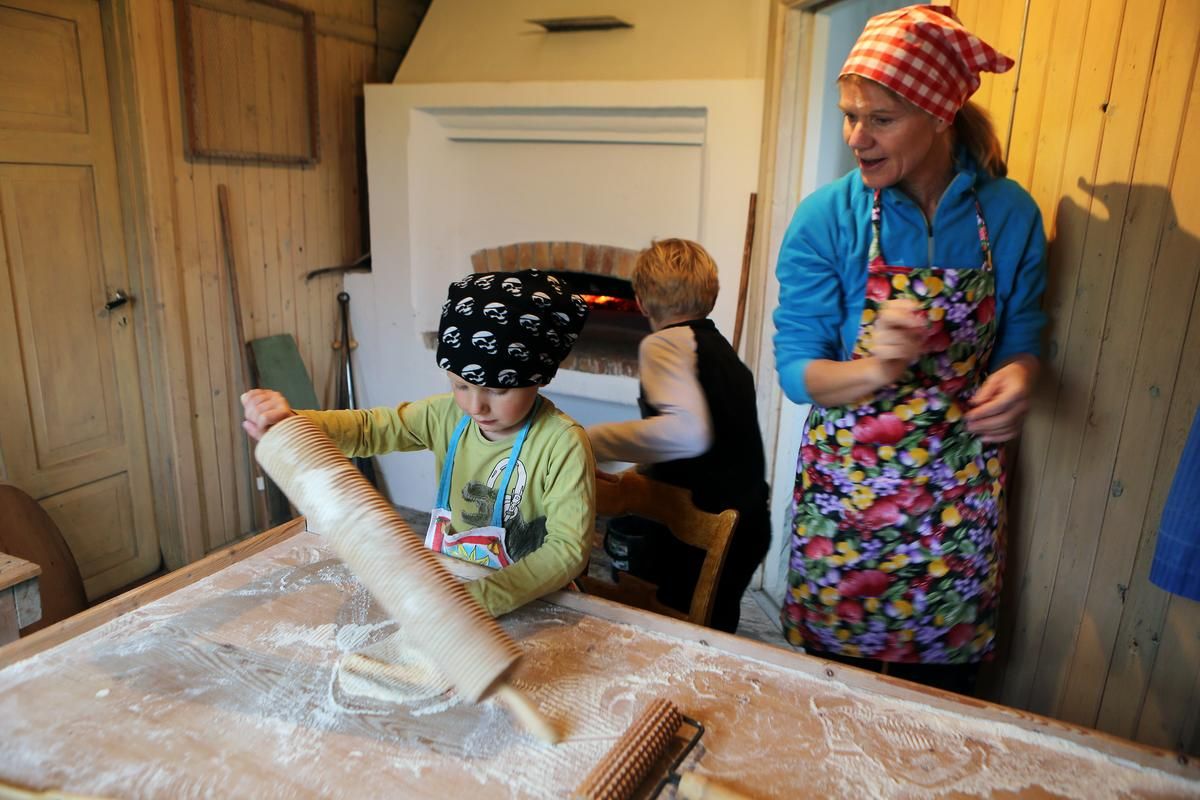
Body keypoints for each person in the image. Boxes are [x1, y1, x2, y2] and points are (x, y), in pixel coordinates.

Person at [773, 5, 1047, 694]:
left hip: (959, 497)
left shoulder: (1009, 215)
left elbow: (1022, 339)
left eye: (880, 119)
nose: (856, 138)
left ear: (940, 114)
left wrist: (1019, 379)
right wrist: (875, 368)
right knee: (833, 694)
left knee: (941, 700)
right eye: (849, 115)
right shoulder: (827, 218)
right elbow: (797, 372)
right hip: (848, 498)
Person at [242, 269, 595, 618]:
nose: (476, 406)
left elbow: (565, 551)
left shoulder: (561, 444)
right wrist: (295, 422)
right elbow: (369, 429)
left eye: (497, 390)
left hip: (535, 601)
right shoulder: (445, 417)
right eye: (460, 386)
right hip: (454, 585)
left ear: (538, 377)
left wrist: (481, 599)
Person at [587, 239, 771, 634]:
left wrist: (592, 441)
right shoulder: (722, 352)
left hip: (700, 526)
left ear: (640, 300)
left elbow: (687, 434)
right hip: (748, 522)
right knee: (712, 629)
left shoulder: (663, 344)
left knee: (665, 628)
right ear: (710, 293)